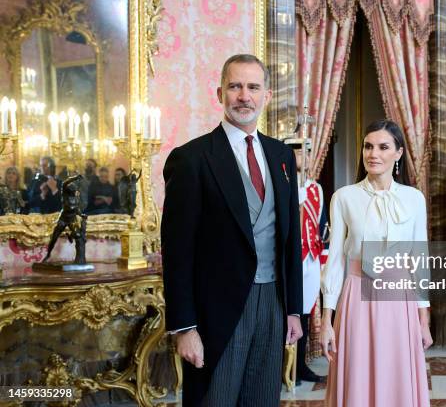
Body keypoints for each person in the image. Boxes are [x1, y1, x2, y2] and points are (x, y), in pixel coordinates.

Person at [161, 54, 303, 406]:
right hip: (216, 313)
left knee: (262, 399)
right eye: (235, 86)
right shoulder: (192, 159)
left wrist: (294, 309)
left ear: (266, 95)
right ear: (220, 93)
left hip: (272, 302)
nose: (244, 96)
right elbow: (177, 252)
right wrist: (184, 328)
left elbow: (290, 239)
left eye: (253, 87)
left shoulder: (282, 155)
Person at [320, 119, 432, 407]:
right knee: (357, 375)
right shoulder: (344, 197)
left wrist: (424, 319)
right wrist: (326, 319)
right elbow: (334, 261)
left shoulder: (414, 199)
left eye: (383, 147)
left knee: (396, 378)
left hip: (400, 300)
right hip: (356, 297)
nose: (373, 154)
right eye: (368, 146)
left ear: (398, 154)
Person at [283, 137, 327, 385]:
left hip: (310, 257)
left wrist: (323, 260)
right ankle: (284, 369)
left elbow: (321, 226)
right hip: (290, 258)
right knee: (290, 312)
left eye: (307, 152)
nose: (304, 157)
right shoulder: (281, 184)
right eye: (298, 152)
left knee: (306, 312)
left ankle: (300, 366)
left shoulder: (316, 189)